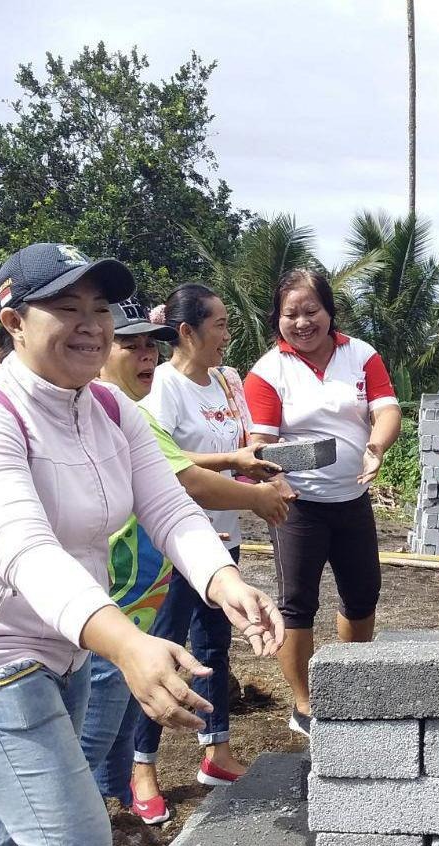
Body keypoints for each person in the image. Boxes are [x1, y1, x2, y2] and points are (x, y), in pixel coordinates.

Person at [0, 243, 284, 846]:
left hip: (66, 650)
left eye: (99, 307)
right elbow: (28, 553)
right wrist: (131, 646)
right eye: (65, 307)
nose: (90, 324)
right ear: (14, 324)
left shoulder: (114, 411)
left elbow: (170, 508)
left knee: (7, 830)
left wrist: (226, 584)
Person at [79, 296, 293, 827]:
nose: (144, 355)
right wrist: (250, 494)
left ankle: (124, 804)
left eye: (146, 343)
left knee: (208, 652)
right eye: (129, 345)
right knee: (139, 675)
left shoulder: (218, 383)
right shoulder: (146, 402)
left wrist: (255, 474)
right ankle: (131, 782)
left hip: (200, 547)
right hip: (131, 582)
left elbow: (178, 491)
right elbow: (178, 482)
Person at [133, 283, 287, 805]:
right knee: (162, 652)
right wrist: (236, 469)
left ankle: (216, 752)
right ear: (186, 332)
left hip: (225, 540)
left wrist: (267, 474)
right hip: (176, 541)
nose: (227, 334)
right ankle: (142, 769)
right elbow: (165, 467)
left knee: (214, 647)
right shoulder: (163, 389)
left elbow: (244, 446)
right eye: (219, 324)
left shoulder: (227, 380)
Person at [243, 268, 402, 737]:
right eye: (290, 314)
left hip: (352, 496)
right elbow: (261, 443)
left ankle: (348, 685)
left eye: (311, 310)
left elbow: (386, 408)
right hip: (299, 506)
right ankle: (305, 703)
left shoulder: (361, 355)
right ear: (277, 319)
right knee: (297, 603)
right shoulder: (267, 371)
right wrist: (279, 477)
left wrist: (375, 449)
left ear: (330, 312)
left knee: (362, 593)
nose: (302, 322)